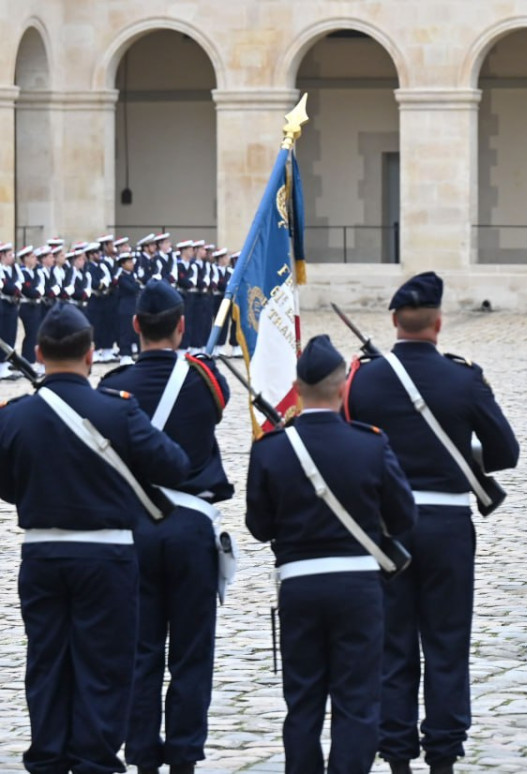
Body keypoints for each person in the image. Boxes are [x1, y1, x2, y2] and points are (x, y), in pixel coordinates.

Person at [0, 303, 189, 774]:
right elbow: (174, 465)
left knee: (47, 661)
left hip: (42, 551)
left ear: (39, 353)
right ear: (89, 355)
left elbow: (5, 485)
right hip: (107, 553)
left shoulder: (16, 416)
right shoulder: (117, 409)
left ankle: (48, 757)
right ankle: (95, 761)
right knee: (104, 664)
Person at [344, 272, 519, 774]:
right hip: (446, 523)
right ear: (439, 324)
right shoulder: (463, 378)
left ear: (395, 322)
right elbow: (506, 451)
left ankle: (397, 755)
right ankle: (443, 753)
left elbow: (348, 447)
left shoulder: (364, 379)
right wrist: (460, 461)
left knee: (393, 643)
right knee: (446, 640)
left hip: (386, 529)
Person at [248, 335, 417, 774]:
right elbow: (403, 516)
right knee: (357, 699)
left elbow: (259, 526)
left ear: (297, 388)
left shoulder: (271, 448)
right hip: (358, 585)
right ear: (343, 386)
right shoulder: (370, 443)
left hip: (300, 585)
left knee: (302, 700)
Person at [99, 280, 232, 774]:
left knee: (139, 650)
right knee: (192, 651)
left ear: (135, 326)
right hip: (190, 525)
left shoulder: (112, 386)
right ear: (181, 326)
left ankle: (141, 756)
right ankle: (184, 757)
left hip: (132, 528)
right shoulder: (206, 378)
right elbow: (218, 409)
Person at [114, 251, 141, 365]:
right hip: (125, 307)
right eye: (129, 262)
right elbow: (132, 288)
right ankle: (125, 354)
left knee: (135, 331)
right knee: (126, 331)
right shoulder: (122, 277)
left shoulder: (132, 275)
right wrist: (136, 284)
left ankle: (136, 353)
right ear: (123, 264)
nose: (132, 264)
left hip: (134, 306)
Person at [0, 243, 19, 379]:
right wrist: (14, 288)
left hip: (12, 304)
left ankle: (6, 364)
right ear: (2, 255)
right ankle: (1, 365)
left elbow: (19, 284)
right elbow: (6, 287)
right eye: (10, 254)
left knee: (11, 335)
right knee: (4, 335)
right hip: (3, 304)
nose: (12, 257)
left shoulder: (13, 269)